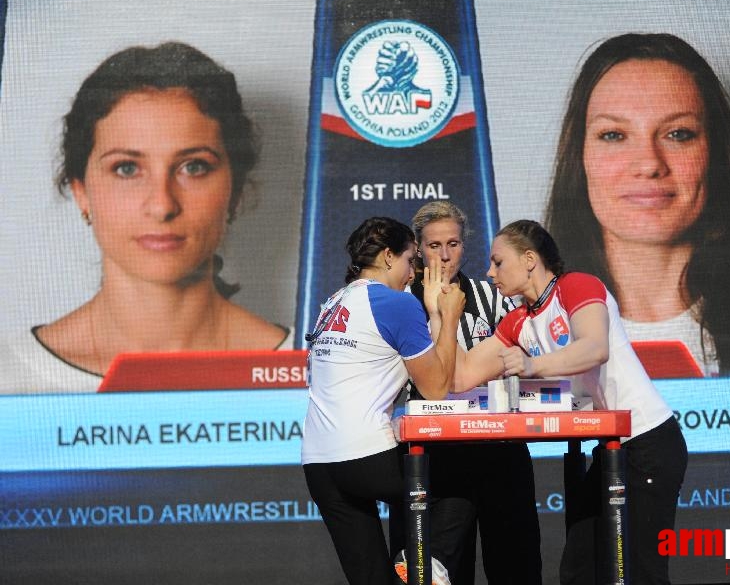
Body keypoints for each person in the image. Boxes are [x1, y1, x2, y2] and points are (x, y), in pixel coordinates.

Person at [0, 42, 292, 395]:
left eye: (194, 167)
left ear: (236, 190)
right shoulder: (10, 379)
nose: (161, 205)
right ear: (81, 191)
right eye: (126, 168)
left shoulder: (322, 375)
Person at [545, 32, 730, 376]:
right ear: (579, 158)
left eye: (678, 134)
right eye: (614, 135)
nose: (649, 163)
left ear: (714, 154)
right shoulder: (513, 336)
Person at [438, 220, 686, 585]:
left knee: (642, 571)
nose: (489, 272)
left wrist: (533, 365)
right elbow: (459, 377)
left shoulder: (577, 285)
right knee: (579, 570)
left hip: (649, 441)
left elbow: (594, 348)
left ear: (528, 259)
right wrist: (440, 314)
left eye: (498, 262)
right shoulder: (518, 320)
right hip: (612, 450)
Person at [302, 216, 465, 585]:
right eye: (411, 261)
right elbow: (438, 388)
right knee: (464, 482)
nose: (412, 274)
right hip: (365, 458)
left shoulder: (333, 302)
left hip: (318, 463)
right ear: (389, 257)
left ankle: (412, 565)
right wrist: (448, 316)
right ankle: (428, 566)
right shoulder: (396, 304)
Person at [398, 201, 541, 585]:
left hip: (497, 444)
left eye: (454, 244)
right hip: (435, 452)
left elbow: (519, 354)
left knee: (517, 563)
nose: (445, 256)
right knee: (442, 571)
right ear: (417, 247)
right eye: (433, 246)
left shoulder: (491, 295)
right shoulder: (401, 300)